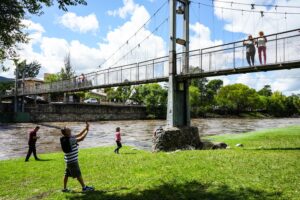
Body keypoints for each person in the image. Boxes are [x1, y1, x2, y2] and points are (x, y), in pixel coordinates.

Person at [61, 122, 94, 192]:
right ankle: (84, 188)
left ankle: (64, 188)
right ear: (66, 132)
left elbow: (79, 134)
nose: (70, 129)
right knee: (78, 174)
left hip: (68, 160)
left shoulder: (66, 138)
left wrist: (85, 128)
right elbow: (81, 138)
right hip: (72, 161)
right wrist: (87, 131)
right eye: (68, 129)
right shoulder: (70, 139)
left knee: (66, 174)